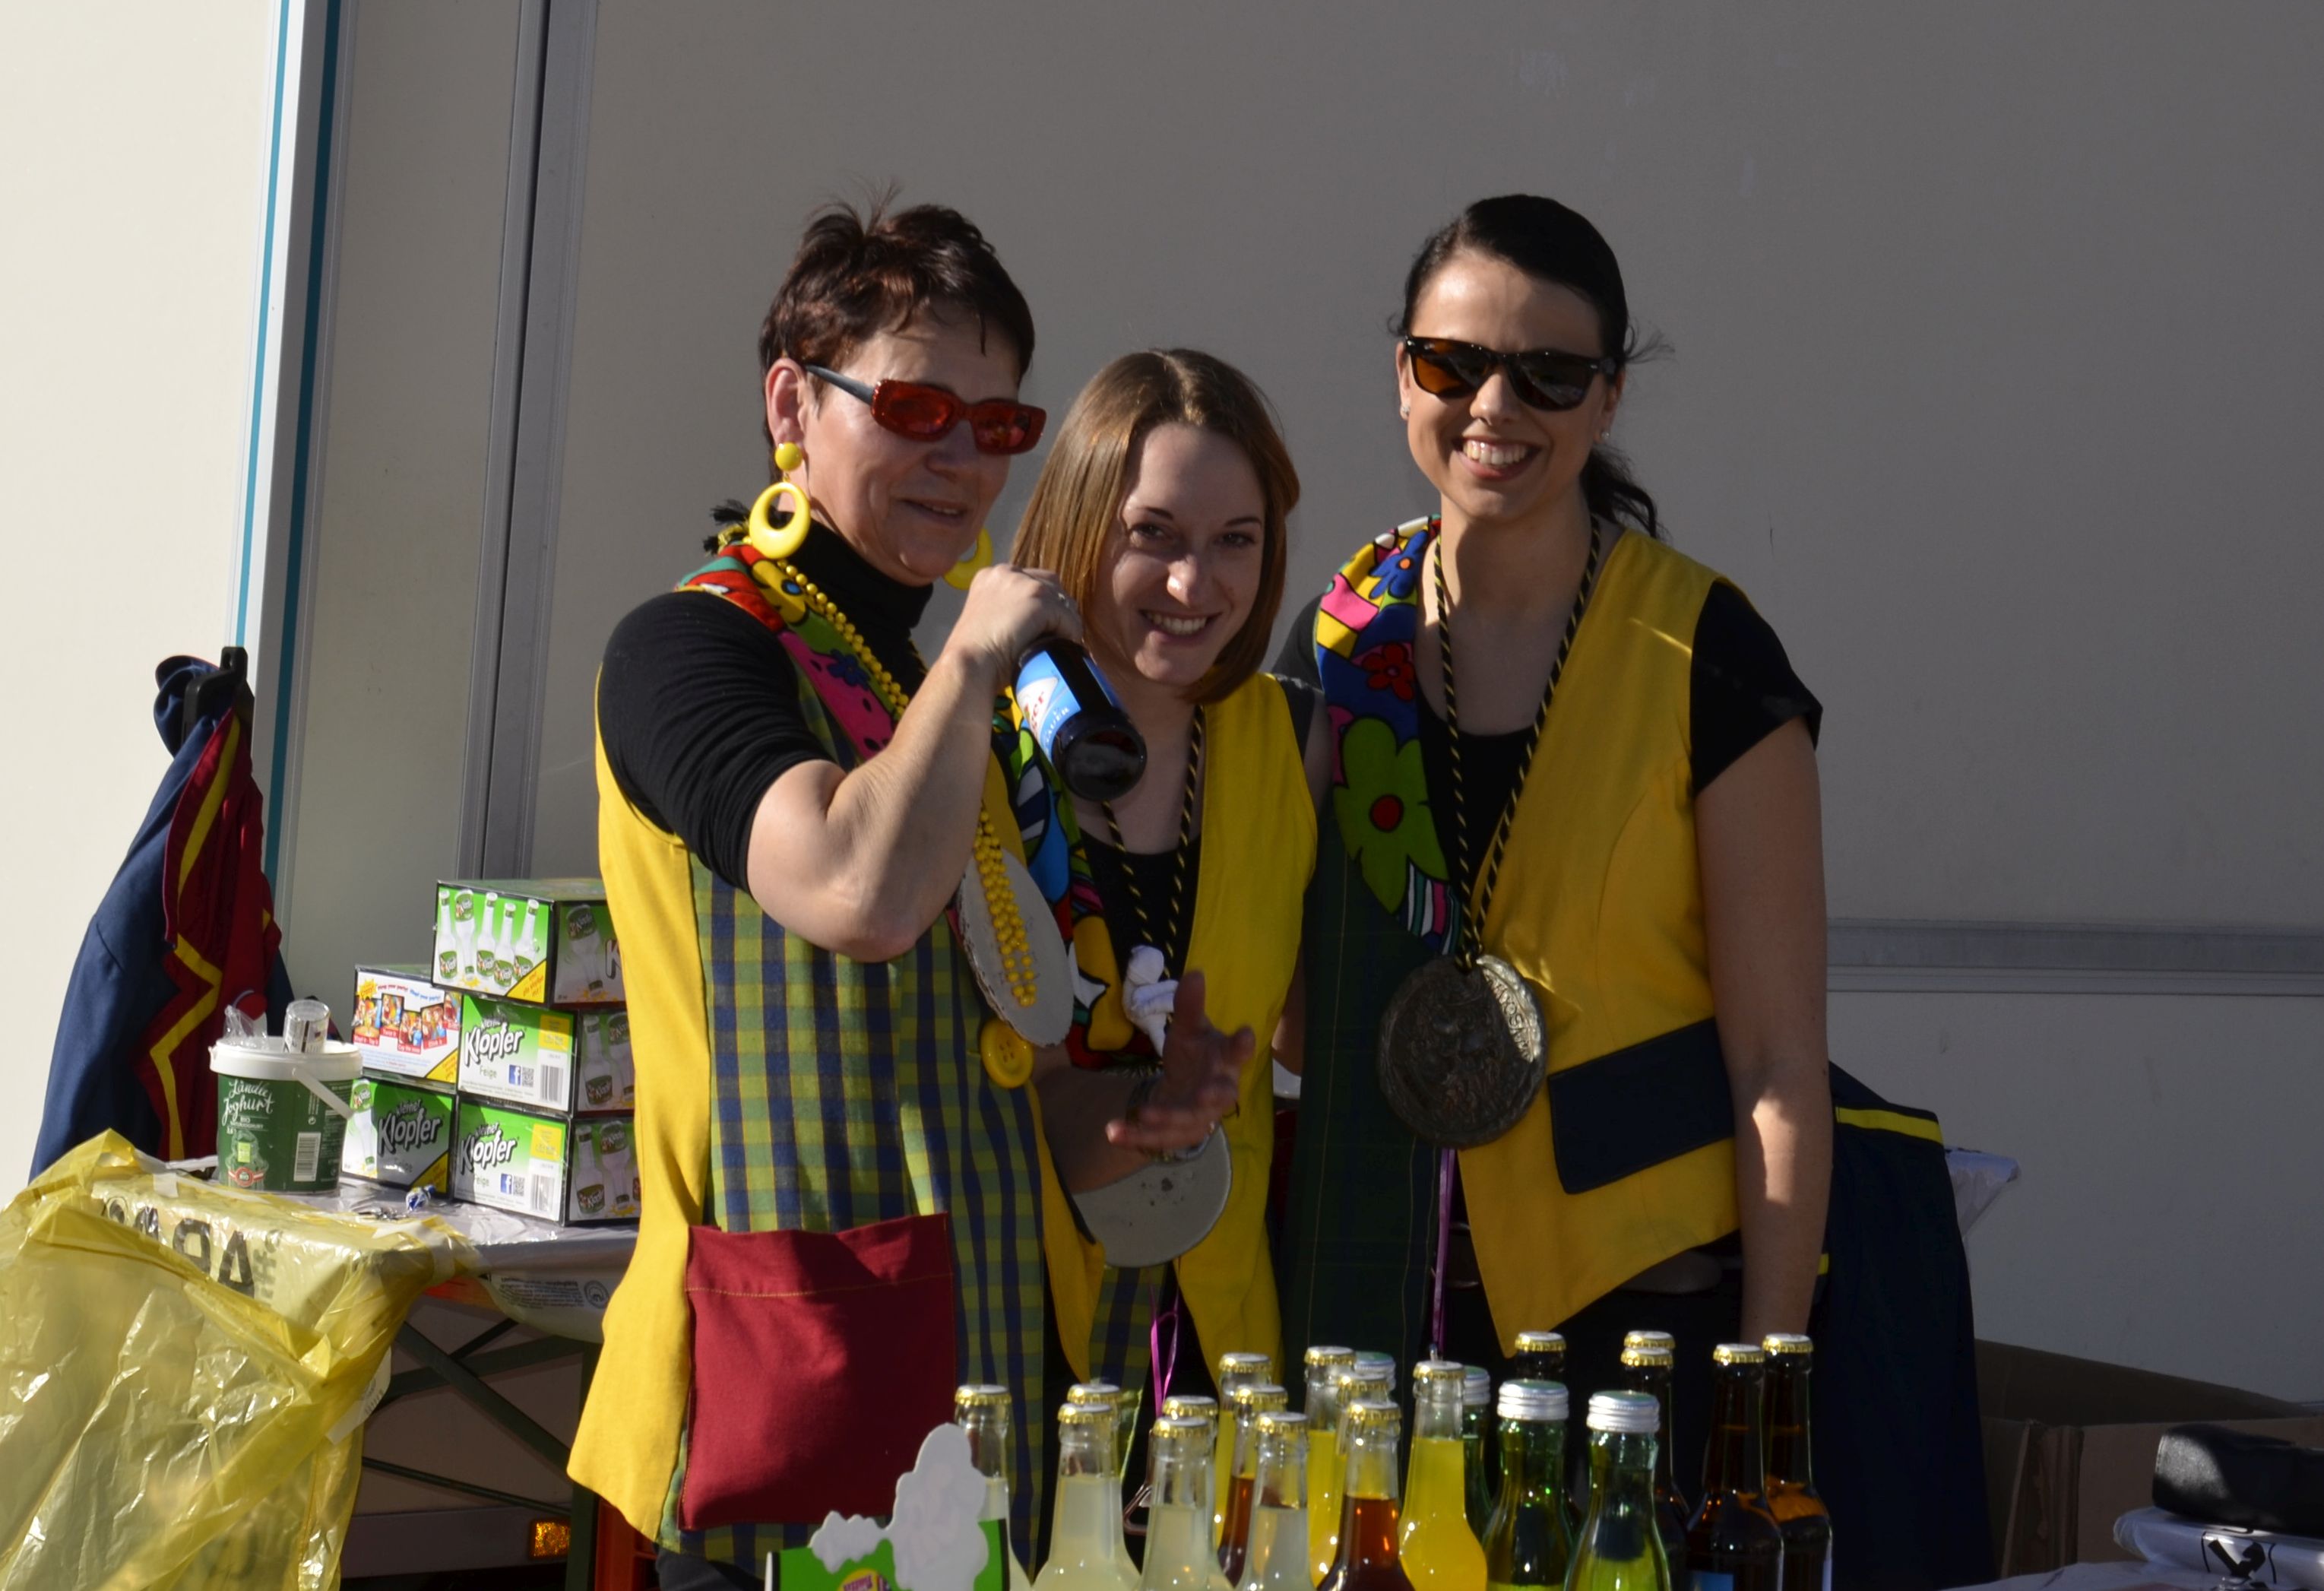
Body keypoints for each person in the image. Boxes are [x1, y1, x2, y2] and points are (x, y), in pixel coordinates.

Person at [1273, 195, 1990, 1585]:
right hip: (1390, 1322)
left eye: (1548, 373)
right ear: (1401, 375)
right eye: (1451, 363)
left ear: (1607, 399)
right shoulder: (1342, 637)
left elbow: (1777, 1061)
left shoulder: (1704, 648)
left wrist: (1763, 1389)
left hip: (1641, 1346)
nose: (1494, 406)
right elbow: (1296, 1010)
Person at [570, 201, 1247, 1591]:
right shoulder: (689, 645)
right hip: (784, 1394)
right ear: (792, 405)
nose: (962, 458)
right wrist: (976, 661)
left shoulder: (929, 692)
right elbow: (853, 892)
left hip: (970, 1396)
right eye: (918, 406)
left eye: (997, 426)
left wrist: (1133, 1115)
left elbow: (993, 1064)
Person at [1009, 350, 1311, 1412]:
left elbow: (1312, 1036)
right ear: (1078, 525)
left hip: (1220, 1354)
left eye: (1235, 540)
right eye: (1154, 534)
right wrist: (1147, 1103)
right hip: (1017, 1335)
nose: (1194, 585)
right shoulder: (979, 742)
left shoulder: (1293, 741)